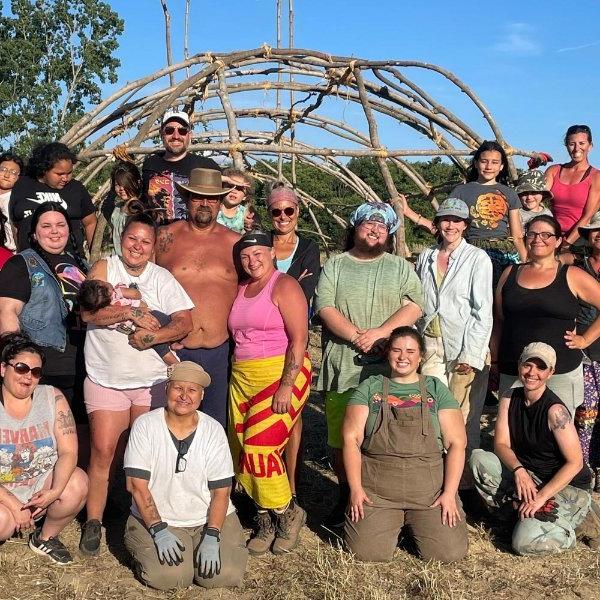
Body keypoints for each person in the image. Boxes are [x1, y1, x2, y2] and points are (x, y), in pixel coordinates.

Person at [79, 213, 194, 556]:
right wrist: (129, 313)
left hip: (150, 381)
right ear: (121, 237)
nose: (137, 247)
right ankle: (94, 521)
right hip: (105, 377)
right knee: (103, 450)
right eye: (132, 239)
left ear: (153, 246)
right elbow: (88, 313)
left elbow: (184, 321)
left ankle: (146, 518)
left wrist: (154, 336)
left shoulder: (162, 278)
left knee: (146, 454)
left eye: (145, 242)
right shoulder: (103, 268)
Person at [314, 201, 424, 528]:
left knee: (385, 434)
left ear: (389, 233)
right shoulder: (336, 264)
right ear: (356, 227)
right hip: (342, 365)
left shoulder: (400, 267)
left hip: (387, 368)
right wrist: (356, 336)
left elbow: (416, 305)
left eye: (382, 226)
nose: (374, 230)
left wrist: (380, 333)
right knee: (342, 436)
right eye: (368, 224)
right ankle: (347, 494)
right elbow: (324, 306)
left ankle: (383, 498)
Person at [343, 327, 468, 563]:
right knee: (366, 553)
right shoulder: (370, 387)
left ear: (420, 356)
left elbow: (457, 444)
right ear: (388, 353)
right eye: (397, 350)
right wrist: (356, 489)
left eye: (410, 351)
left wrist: (449, 494)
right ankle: (391, 523)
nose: (403, 357)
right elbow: (351, 440)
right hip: (378, 493)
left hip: (428, 494)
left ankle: (418, 524)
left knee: (448, 554)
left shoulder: (435, 389)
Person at [123, 361, 247, 590]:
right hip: (160, 519)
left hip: (206, 517)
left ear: (201, 395)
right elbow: (136, 486)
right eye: (178, 388)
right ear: (167, 389)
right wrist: (158, 529)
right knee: (170, 578)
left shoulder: (213, 429)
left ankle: (214, 543)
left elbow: (221, 490)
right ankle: (144, 545)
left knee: (220, 576)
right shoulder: (145, 426)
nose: (184, 396)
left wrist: (212, 533)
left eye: (192, 390)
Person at [470, 342, 598, 556]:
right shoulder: (509, 398)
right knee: (479, 460)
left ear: (551, 373)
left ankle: (572, 524)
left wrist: (541, 497)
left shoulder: (556, 412)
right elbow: (501, 444)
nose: (532, 373)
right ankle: (521, 514)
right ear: (520, 365)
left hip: (563, 484)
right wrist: (519, 471)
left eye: (541, 368)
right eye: (528, 365)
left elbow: (575, 462)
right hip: (530, 475)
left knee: (523, 544)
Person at [228, 230, 311, 556]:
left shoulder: (285, 285)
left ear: (272, 252)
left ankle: (287, 512)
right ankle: (263, 519)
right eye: (246, 256)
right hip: (242, 376)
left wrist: (286, 385)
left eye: (258, 253)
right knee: (242, 450)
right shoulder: (242, 288)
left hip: (280, 373)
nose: (252, 261)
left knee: (259, 448)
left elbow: (299, 340)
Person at [155, 168, 239, 429]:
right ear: (187, 199)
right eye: (198, 197)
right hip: (176, 350)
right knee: (173, 421)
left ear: (220, 202)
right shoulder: (165, 237)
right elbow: (144, 284)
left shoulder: (235, 243)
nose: (205, 204)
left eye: (211, 199)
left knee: (216, 425)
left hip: (220, 351)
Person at [492, 215, 600, 418]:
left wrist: (586, 339)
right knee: (513, 433)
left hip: (560, 371)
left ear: (558, 241)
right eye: (532, 234)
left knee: (557, 434)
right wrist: (495, 361)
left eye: (546, 234)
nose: (537, 239)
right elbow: (499, 320)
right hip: (514, 369)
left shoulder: (572, 275)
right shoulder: (509, 273)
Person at [415, 198, 493, 478]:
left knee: (464, 416)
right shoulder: (425, 256)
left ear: (465, 225)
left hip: (463, 344)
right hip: (432, 344)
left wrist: (471, 356)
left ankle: (465, 483)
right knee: (432, 410)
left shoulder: (476, 258)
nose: (450, 225)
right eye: (445, 219)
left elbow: (482, 309)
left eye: (456, 220)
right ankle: (436, 474)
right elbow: (417, 301)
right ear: (437, 224)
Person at [0, 333, 88, 564]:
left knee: (77, 482)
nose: (28, 377)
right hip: (3, 491)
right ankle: (12, 520)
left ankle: (45, 537)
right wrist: (13, 504)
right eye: (21, 368)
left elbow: (69, 451)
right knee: (2, 523)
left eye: (36, 372)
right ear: (3, 369)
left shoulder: (52, 397)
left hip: (41, 483)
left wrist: (55, 491)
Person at [0, 203, 88, 425]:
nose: (55, 231)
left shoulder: (82, 263)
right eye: (46, 226)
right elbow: (7, 312)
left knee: (79, 435)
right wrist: (19, 361)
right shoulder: (21, 264)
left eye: (60, 225)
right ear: (34, 233)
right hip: (45, 368)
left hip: (85, 364)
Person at [266, 183, 321, 500]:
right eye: (277, 211)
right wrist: (289, 287)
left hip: (295, 339)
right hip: (264, 341)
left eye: (289, 210)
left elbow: (306, 293)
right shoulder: (262, 243)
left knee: (293, 415)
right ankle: (266, 479)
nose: (283, 217)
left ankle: (292, 483)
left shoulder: (308, 248)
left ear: (298, 212)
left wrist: (277, 289)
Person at [420, 141, 526, 286]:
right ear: (476, 163)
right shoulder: (461, 191)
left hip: (503, 251)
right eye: (484, 161)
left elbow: (517, 235)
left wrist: (526, 261)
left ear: (501, 166)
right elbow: (445, 223)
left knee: (504, 294)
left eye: (495, 162)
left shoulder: (509, 193)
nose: (489, 166)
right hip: (471, 249)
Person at [9, 142, 96, 255]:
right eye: (59, 174)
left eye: (69, 173)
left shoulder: (76, 188)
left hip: (70, 262)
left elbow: (90, 222)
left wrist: (94, 256)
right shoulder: (22, 185)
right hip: (31, 261)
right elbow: (15, 223)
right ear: (44, 170)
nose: (65, 178)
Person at [142, 110, 220, 223]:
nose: (176, 136)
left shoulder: (207, 166)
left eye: (182, 131)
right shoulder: (150, 164)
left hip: (191, 238)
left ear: (190, 135)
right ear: (161, 134)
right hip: (156, 237)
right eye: (169, 130)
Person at [77, 279, 178, 365]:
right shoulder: (116, 292)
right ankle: (176, 360)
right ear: (106, 289)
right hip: (151, 316)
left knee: (159, 346)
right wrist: (124, 291)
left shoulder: (102, 312)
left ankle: (173, 349)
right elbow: (137, 295)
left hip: (135, 328)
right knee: (166, 326)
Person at [574, 213, 600, 488]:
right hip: (586, 350)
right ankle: (583, 469)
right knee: (585, 413)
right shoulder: (576, 266)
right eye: (595, 229)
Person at [546, 125, 600, 248]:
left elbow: (588, 217)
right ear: (566, 146)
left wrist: (567, 243)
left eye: (582, 143)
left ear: (590, 146)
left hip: (579, 238)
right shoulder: (553, 171)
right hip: (551, 235)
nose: (577, 148)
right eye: (572, 144)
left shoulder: (596, 176)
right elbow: (536, 196)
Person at [95, 161, 145, 258]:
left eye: (126, 183)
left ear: (137, 183)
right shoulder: (118, 208)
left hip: (130, 260)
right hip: (116, 259)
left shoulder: (138, 209)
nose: (121, 188)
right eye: (117, 184)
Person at [218, 168, 257, 233]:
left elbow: (249, 227)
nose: (233, 191)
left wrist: (249, 226)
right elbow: (210, 178)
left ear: (245, 196)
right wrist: (228, 179)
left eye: (239, 188)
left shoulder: (243, 212)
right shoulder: (216, 207)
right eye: (230, 186)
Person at [0, 151, 23, 251]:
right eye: (3, 170)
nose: (7, 175)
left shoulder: (18, 201)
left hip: (12, 254)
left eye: (13, 172)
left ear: (19, 177)